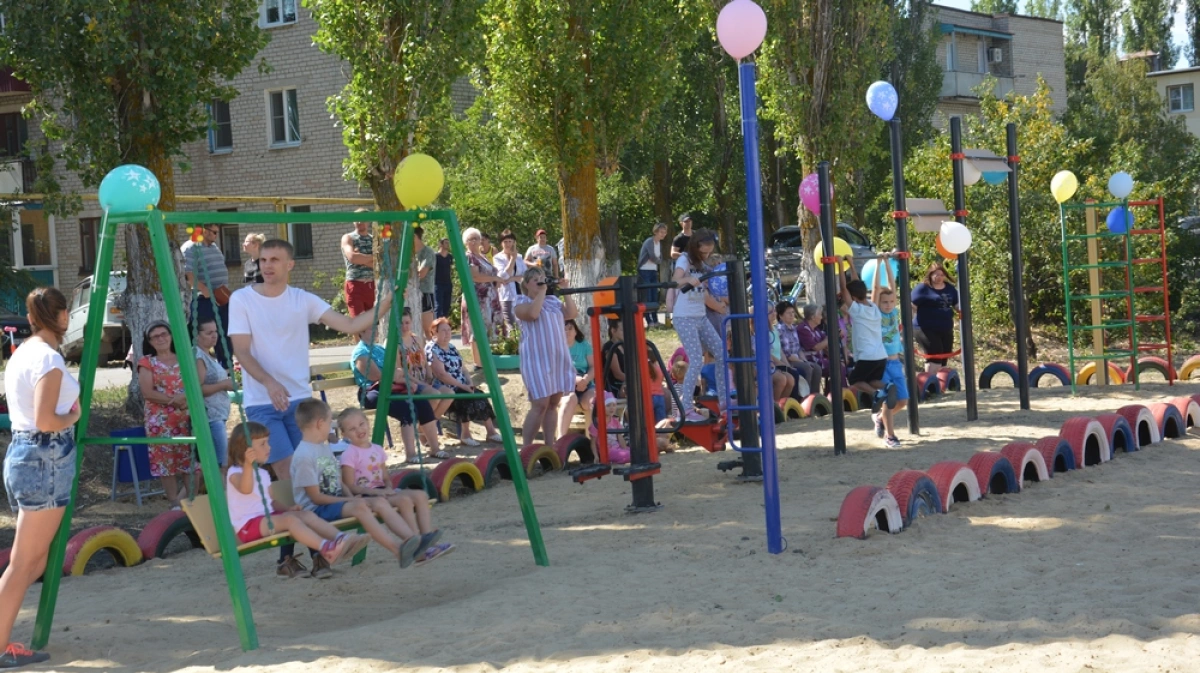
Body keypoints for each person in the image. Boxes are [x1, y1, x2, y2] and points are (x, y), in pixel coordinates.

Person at [227, 238, 390, 578]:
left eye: (275, 259)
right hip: (263, 401)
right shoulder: (242, 299)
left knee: (310, 476)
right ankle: (310, 552)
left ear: (290, 265)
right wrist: (270, 383)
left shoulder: (301, 299)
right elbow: (241, 351)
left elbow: (350, 325)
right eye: (263, 259)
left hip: (299, 399)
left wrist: (389, 300)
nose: (267, 265)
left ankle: (311, 552)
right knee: (290, 475)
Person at [0, 288, 80, 670]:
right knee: (24, 563)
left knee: (31, 561)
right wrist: (74, 418)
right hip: (44, 455)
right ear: (62, 316)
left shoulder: (23, 353)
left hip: (25, 454)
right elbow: (47, 420)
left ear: (31, 318)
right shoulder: (48, 358)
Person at [291, 399, 426, 570]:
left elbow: (338, 480)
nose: (331, 428)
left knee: (378, 502)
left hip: (336, 502)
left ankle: (414, 542)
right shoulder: (304, 455)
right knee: (361, 506)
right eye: (329, 423)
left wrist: (350, 497)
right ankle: (397, 550)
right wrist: (350, 501)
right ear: (320, 423)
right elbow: (315, 498)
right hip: (316, 509)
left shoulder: (322, 448)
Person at [226, 421, 364, 568]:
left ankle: (342, 539)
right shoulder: (235, 473)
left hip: (265, 520)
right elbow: (245, 489)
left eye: (267, 442)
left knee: (307, 515)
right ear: (246, 449)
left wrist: (288, 509)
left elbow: (270, 502)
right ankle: (326, 548)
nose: (269, 447)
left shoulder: (263, 473)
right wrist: (248, 465)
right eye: (263, 444)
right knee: (290, 521)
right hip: (247, 526)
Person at [336, 408, 454, 565]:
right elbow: (350, 486)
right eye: (352, 429)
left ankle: (427, 539)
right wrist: (377, 492)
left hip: (382, 491)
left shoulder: (377, 449)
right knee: (404, 500)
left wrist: (389, 487)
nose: (359, 430)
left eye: (361, 424)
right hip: (367, 495)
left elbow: (385, 477)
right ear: (344, 434)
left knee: (421, 495)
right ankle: (417, 547)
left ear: (367, 423)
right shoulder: (350, 454)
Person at [351, 314, 445, 463]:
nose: (375, 330)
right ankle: (411, 454)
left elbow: (398, 370)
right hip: (372, 392)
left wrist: (401, 378)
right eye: (371, 328)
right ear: (361, 332)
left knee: (423, 404)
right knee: (407, 407)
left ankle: (435, 448)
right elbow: (375, 375)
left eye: (376, 327)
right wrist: (395, 375)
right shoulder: (360, 352)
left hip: (391, 387)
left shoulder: (380, 349)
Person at [514, 267, 578, 446]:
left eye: (542, 278)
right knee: (540, 404)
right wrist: (541, 292)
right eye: (535, 279)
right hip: (535, 361)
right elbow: (533, 314)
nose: (541, 281)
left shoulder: (552, 301)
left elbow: (572, 314)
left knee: (552, 403)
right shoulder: (520, 301)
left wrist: (565, 291)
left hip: (557, 359)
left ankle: (550, 446)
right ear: (526, 284)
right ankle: (526, 447)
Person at [840, 256, 900, 447]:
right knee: (872, 380)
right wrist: (851, 263)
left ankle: (877, 394)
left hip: (865, 356)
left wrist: (840, 267)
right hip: (880, 355)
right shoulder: (873, 307)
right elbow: (857, 287)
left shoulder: (856, 310)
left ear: (852, 298)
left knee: (855, 380)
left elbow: (845, 290)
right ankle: (885, 387)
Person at [671, 229, 727, 422]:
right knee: (695, 359)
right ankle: (684, 410)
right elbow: (675, 281)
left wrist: (719, 306)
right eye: (704, 251)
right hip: (684, 317)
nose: (707, 255)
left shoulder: (702, 264)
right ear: (695, 246)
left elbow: (703, 293)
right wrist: (687, 279)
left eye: (710, 251)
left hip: (700, 316)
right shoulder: (684, 260)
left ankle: (723, 400)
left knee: (721, 352)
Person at [138, 321, 194, 509]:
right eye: (155, 336)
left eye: (164, 334)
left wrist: (184, 398)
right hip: (159, 421)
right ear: (149, 341)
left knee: (189, 459)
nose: (161, 338)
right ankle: (174, 503)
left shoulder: (185, 358)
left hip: (186, 418)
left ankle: (192, 500)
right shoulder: (147, 362)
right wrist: (173, 400)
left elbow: (195, 383)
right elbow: (148, 392)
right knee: (165, 462)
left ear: (171, 336)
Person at [426, 317, 503, 446]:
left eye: (449, 330)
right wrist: (463, 386)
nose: (447, 334)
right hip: (445, 386)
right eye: (443, 331)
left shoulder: (451, 347)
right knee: (465, 397)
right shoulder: (432, 348)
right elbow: (441, 374)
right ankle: (465, 434)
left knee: (480, 396)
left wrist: (469, 383)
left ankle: (491, 432)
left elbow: (463, 369)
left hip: (461, 384)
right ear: (434, 332)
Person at [181, 222, 232, 366]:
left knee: (224, 334)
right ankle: (198, 368)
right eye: (214, 232)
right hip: (203, 300)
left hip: (220, 298)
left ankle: (226, 369)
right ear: (204, 230)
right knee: (204, 334)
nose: (216, 236)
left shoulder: (213, 247)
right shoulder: (191, 247)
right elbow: (188, 274)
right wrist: (205, 291)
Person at [872, 254, 909, 447]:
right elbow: (878, 289)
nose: (888, 305)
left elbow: (892, 285)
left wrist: (887, 263)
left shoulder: (894, 312)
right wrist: (878, 263)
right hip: (882, 363)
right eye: (884, 302)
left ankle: (879, 418)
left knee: (903, 401)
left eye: (890, 302)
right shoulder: (875, 311)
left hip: (895, 362)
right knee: (889, 398)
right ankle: (891, 436)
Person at [460, 227, 503, 371]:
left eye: (476, 238)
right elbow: (475, 277)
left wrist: (496, 282)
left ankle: (485, 360)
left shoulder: (482, 256)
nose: (473, 241)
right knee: (476, 329)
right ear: (465, 242)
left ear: (481, 240)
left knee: (486, 329)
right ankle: (478, 363)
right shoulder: (469, 256)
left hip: (488, 297)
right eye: (470, 239)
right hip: (476, 298)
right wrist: (494, 278)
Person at [194, 316, 234, 468]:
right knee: (221, 464)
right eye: (209, 332)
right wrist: (224, 384)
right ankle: (220, 491)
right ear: (197, 335)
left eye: (215, 331)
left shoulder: (207, 354)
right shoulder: (198, 356)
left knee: (221, 462)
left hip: (218, 415)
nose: (214, 335)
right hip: (211, 418)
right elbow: (198, 389)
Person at [912, 262, 959, 375]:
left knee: (943, 357)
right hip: (925, 329)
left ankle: (939, 385)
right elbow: (911, 306)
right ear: (930, 274)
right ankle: (929, 384)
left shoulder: (950, 288)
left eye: (942, 275)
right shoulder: (923, 288)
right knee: (935, 357)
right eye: (936, 274)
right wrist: (905, 326)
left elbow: (957, 305)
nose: (939, 277)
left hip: (945, 328)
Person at [557, 319, 595, 437]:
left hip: (586, 384)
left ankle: (593, 441)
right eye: (564, 329)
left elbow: (594, 367)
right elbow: (556, 371)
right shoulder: (556, 347)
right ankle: (560, 439)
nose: (567, 332)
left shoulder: (584, 345)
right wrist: (575, 380)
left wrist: (585, 380)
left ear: (575, 331)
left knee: (592, 402)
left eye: (570, 328)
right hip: (564, 385)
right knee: (569, 400)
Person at [776, 301, 819, 399]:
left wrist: (804, 360)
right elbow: (786, 353)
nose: (792, 315)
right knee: (807, 368)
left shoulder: (794, 328)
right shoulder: (780, 330)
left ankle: (815, 396)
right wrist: (802, 362)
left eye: (793, 312)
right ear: (781, 316)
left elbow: (798, 348)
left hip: (797, 358)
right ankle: (804, 397)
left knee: (816, 368)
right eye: (788, 313)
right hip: (788, 360)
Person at [341, 211, 375, 317]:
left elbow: (380, 264)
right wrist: (372, 259)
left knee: (373, 322)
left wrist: (361, 258)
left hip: (373, 285)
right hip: (355, 284)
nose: (360, 222)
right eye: (357, 219)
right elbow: (352, 257)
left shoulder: (374, 239)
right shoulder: (348, 238)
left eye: (363, 219)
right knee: (357, 322)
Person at [492, 230, 527, 334]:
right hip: (507, 295)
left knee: (522, 324)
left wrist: (513, 278)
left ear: (514, 242)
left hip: (521, 294)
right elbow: (502, 276)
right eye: (505, 241)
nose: (508, 244)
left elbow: (525, 275)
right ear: (501, 243)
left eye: (510, 241)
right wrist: (512, 259)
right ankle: (512, 345)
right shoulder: (498, 257)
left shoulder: (519, 257)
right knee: (510, 325)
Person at [664, 213, 694, 327]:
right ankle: (675, 314)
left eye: (690, 221)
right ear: (681, 223)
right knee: (678, 289)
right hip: (682, 268)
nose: (688, 223)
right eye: (686, 221)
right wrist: (685, 255)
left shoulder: (695, 235)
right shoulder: (679, 238)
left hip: (694, 268)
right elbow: (672, 253)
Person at [765, 304, 797, 402]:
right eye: (770, 312)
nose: (774, 313)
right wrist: (781, 364)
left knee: (791, 379)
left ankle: (781, 405)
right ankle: (773, 407)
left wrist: (787, 365)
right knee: (782, 379)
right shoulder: (762, 330)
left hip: (777, 363)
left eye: (774, 311)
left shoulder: (774, 330)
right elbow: (767, 353)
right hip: (770, 364)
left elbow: (780, 351)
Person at [638, 223, 667, 326]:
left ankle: (655, 320)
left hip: (653, 270)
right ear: (655, 232)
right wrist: (657, 260)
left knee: (654, 295)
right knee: (648, 296)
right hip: (644, 270)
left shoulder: (659, 244)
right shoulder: (649, 241)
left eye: (665, 232)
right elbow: (652, 257)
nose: (663, 234)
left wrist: (657, 260)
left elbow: (659, 258)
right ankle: (649, 321)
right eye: (661, 232)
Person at [589, 392, 629, 464]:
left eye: (614, 405)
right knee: (628, 455)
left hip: (617, 448)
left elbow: (620, 438)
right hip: (608, 452)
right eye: (608, 405)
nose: (612, 408)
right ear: (600, 407)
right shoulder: (596, 424)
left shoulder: (615, 421)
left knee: (636, 452)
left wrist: (626, 449)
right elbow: (593, 443)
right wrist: (596, 456)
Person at [413, 226, 438, 338]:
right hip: (411, 294)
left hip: (425, 294)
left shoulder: (428, 252)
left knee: (429, 330)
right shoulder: (409, 253)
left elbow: (421, 274)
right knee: (415, 332)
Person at [600, 318, 625, 398]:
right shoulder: (610, 347)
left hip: (626, 381)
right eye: (622, 330)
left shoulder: (625, 346)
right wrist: (636, 379)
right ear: (613, 331)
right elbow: (617, 374)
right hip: (615, 385)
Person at [434, 238, 454, 319]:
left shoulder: (450, 256)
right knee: (438, 306)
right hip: (438, 284)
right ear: (441, 244)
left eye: (448, 243)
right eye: (446, 243)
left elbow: (451, 269)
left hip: (448, 283)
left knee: (447, 305)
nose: (448, 244)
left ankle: (444, 324)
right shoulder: (436, 256)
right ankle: (437, 326)